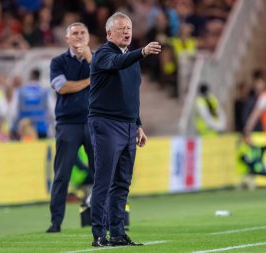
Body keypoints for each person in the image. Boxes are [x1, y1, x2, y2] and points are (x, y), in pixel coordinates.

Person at [88, 12, 161, 247]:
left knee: (122, 182)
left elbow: (132, 96)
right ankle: (99, 234)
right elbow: (115, 63)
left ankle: (118, 233)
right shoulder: (103, 54)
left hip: (128, 126)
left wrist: (138, 125)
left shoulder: (130, 59)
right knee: (104, 180)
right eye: (121, 28)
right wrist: (142, 52)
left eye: (128, 27)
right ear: (109, 33)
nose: (126, 31)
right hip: (106, 123)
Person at [46, 22, 95, 233]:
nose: (79, 36)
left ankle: (107, 217)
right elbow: (62, 87)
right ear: (67, 39)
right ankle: (56, 222)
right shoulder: (58, 61)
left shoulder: (98, 59)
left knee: (101, 172)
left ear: (88, 37)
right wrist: (89, 81)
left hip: (94, 122)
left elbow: (106, 80)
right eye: (74, 33)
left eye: (82, 32)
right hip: (68, 124)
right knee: (61, 174)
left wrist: (91, 60)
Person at [10, 69, 53, 139]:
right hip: (41, 128)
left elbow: (13, 112)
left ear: (30, 77)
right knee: (40, 149)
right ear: (39, 77)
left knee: (25, 149)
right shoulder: (45, 92)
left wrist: (13, 128)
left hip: (24, 128)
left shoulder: (20, 91)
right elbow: (52, 111)